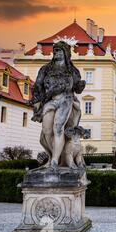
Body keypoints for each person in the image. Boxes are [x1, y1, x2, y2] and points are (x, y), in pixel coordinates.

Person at [28, 41, 86, 169]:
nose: (56, 53)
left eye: (59, 51)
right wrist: (37, 103)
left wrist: (80, 85)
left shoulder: (72, 71)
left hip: (66, 99)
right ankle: (54, 156)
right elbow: (37, 86)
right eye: (55, 51)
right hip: (50, 100)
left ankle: (54, 161)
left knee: (58, 128)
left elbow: (76, 88)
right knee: (46, 131)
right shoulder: (46, 69)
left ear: (66, 53)